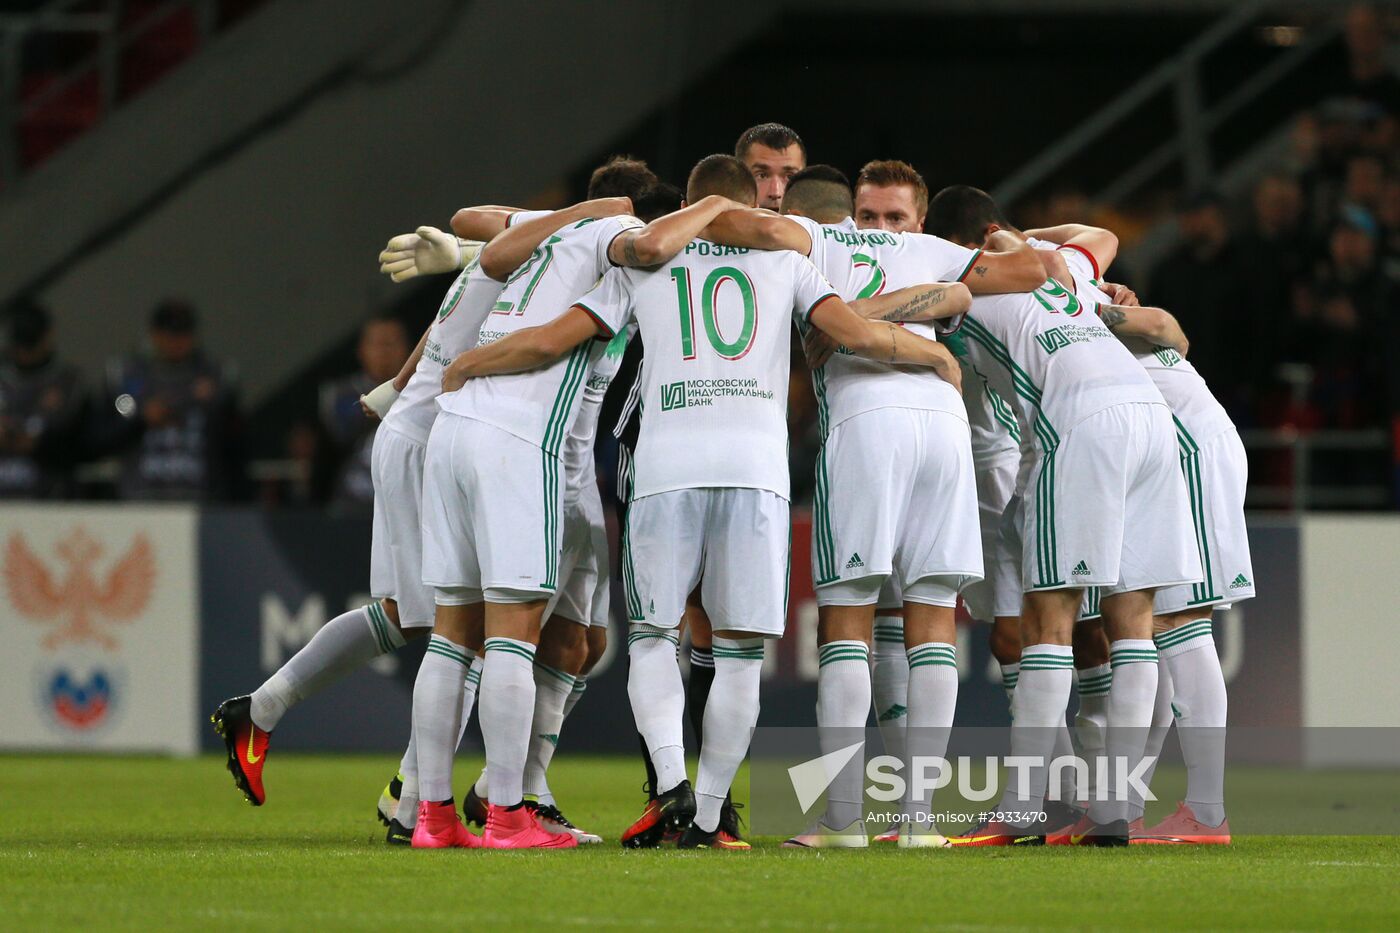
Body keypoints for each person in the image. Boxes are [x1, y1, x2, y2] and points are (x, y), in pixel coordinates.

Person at [444, 154, 962, 850]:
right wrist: (933, 356)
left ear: (687, 203)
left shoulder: (645, 261)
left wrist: (472, 360)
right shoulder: (786, 263)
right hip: (756, 473)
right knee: (741, 652)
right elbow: (859, 333)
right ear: (754, 204)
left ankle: (670, 782)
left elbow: (551, 337)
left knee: (656, 637)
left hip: (667, 465)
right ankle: (713, 811)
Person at [412, 158, 749, 850]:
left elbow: (492, 246)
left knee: (453, 635)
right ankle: (510, 812)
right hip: (517, 440)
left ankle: (433, 814)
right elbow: (555, 333)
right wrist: (712, 206)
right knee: (511, 630)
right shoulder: (625, 247)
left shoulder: (554, 238)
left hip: (453, 434)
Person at [211, 199, 536, 822]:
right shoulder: (558, 258)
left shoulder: (517, 258)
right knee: (466, 625)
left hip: (426, 434)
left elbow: (445, 321)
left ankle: (265, 713)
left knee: (409, 618)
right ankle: (410, 799)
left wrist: (397, 385)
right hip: (434, 440)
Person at [927, 186, 1201, 846]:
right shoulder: (1061, 261)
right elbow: (1100, 236)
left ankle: (1022, 807)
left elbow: (937, 319)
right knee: (1131, 618)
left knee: (1047, 619)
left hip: (1079, 424)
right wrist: (1027, 235)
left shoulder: (965, 281)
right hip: (1150, 418)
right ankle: (1115, 810)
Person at [108, 300, 240, 501]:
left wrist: (212, 402)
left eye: (184, 334)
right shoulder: (128, 373)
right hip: (141, 492)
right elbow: (117, 412)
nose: (177, 342)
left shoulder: (214, 374)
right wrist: (141, 415)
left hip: (198, 493)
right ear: (155, 334)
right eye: (170, 334)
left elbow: (233, 432)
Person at [318, 315, 409, 507]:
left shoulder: (420, 391)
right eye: (377, 344)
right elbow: (340, 434)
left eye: (391, 343)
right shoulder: (340, 392)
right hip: (353, 499)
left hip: (404, 499)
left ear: (407, 350)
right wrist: (387, 398)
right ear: (361, 350)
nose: (384, 352)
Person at [0, 298, 86, 499]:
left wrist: (38, 444)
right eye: (21, 344)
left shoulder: (67, 381)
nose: (25, 353)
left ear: (48, 336)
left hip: (47, 495)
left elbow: (83, 445)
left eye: (31, 344)